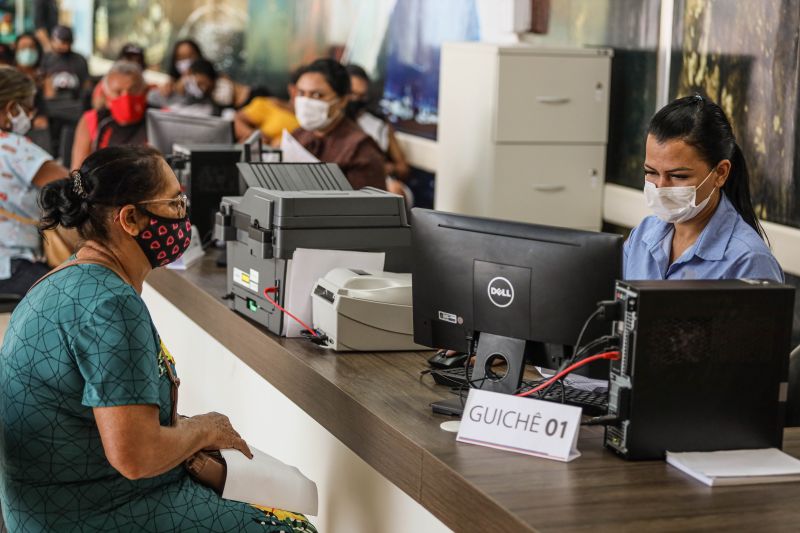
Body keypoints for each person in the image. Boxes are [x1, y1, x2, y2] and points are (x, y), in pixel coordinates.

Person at [0, 145, 317, 532]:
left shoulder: (66, 279)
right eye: (174, 203)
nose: (184, 214)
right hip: (92, 512)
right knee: (293, 528)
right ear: (130, 219)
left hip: (52, 505)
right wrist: (205, 428)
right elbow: (137, 456)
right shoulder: (111, 306)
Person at [623, 95, 783, 282]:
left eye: (678, 176)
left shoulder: (748, 261)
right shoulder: (642, 235)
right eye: (651, 172)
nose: (661, 187)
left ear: (720, 173)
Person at [0, 66, 68, 295]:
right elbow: (77, 185)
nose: (31, 115)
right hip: (13, 266)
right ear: (12, 109)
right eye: (28, 108)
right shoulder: (16, 148)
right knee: (75, 295)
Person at [291, 58, 386, 189]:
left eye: (317, 95)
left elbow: (370, 201)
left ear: (342, 101)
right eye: (301, 93)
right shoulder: (298, 136)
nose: (306, 101)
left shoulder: (360, 150)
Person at [72, 60, 149, 168]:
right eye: (118, 92)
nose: (126, 97)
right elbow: (76, 171)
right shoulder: (92, 120)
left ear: (144, 91)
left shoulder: (158, 119)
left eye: (133, 90)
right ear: (106, 95)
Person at [234, 69, 299, 145]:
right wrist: (255, 137)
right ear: (292, 89)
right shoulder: (269, 104)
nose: (306, 96)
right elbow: (236, 121)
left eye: (311, 93)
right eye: (301, 91)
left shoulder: (308, 119)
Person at [148, 58, 222, 117]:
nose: (203, 89)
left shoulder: (207, 104)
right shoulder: (164, 93)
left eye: (207, 86)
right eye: (200, 84)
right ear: (188, 74)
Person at [41, 25, 90, 101]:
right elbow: (43, 83)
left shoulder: (79, 59)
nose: (61, 45)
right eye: (58, 41)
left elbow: (86, 84)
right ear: (52, 41)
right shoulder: (46, 59)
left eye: (65, 42)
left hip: (75, 101)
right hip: (52, 102)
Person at [13, 33, 48, 131]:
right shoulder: (10, 77)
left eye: (31, 47)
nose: (27, 51)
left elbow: (49, 102)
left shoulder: (44, 77)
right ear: (16, 50)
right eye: (23, 48)